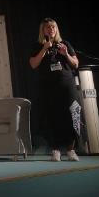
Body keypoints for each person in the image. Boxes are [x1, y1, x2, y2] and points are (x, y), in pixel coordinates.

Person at [29, 17, 80, 162]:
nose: (51, 29)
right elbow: (33, 64)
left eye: (53, 27)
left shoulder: (65, 44)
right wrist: (44, 49)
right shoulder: (38, 46)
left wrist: (66, 54)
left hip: (67, 85)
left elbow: (76, 64)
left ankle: (70, 150)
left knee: (72, 116)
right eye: (48, 27)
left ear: (56, 29)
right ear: (43, 30)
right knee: (52, 117)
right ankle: (55, 150)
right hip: (49, 87)